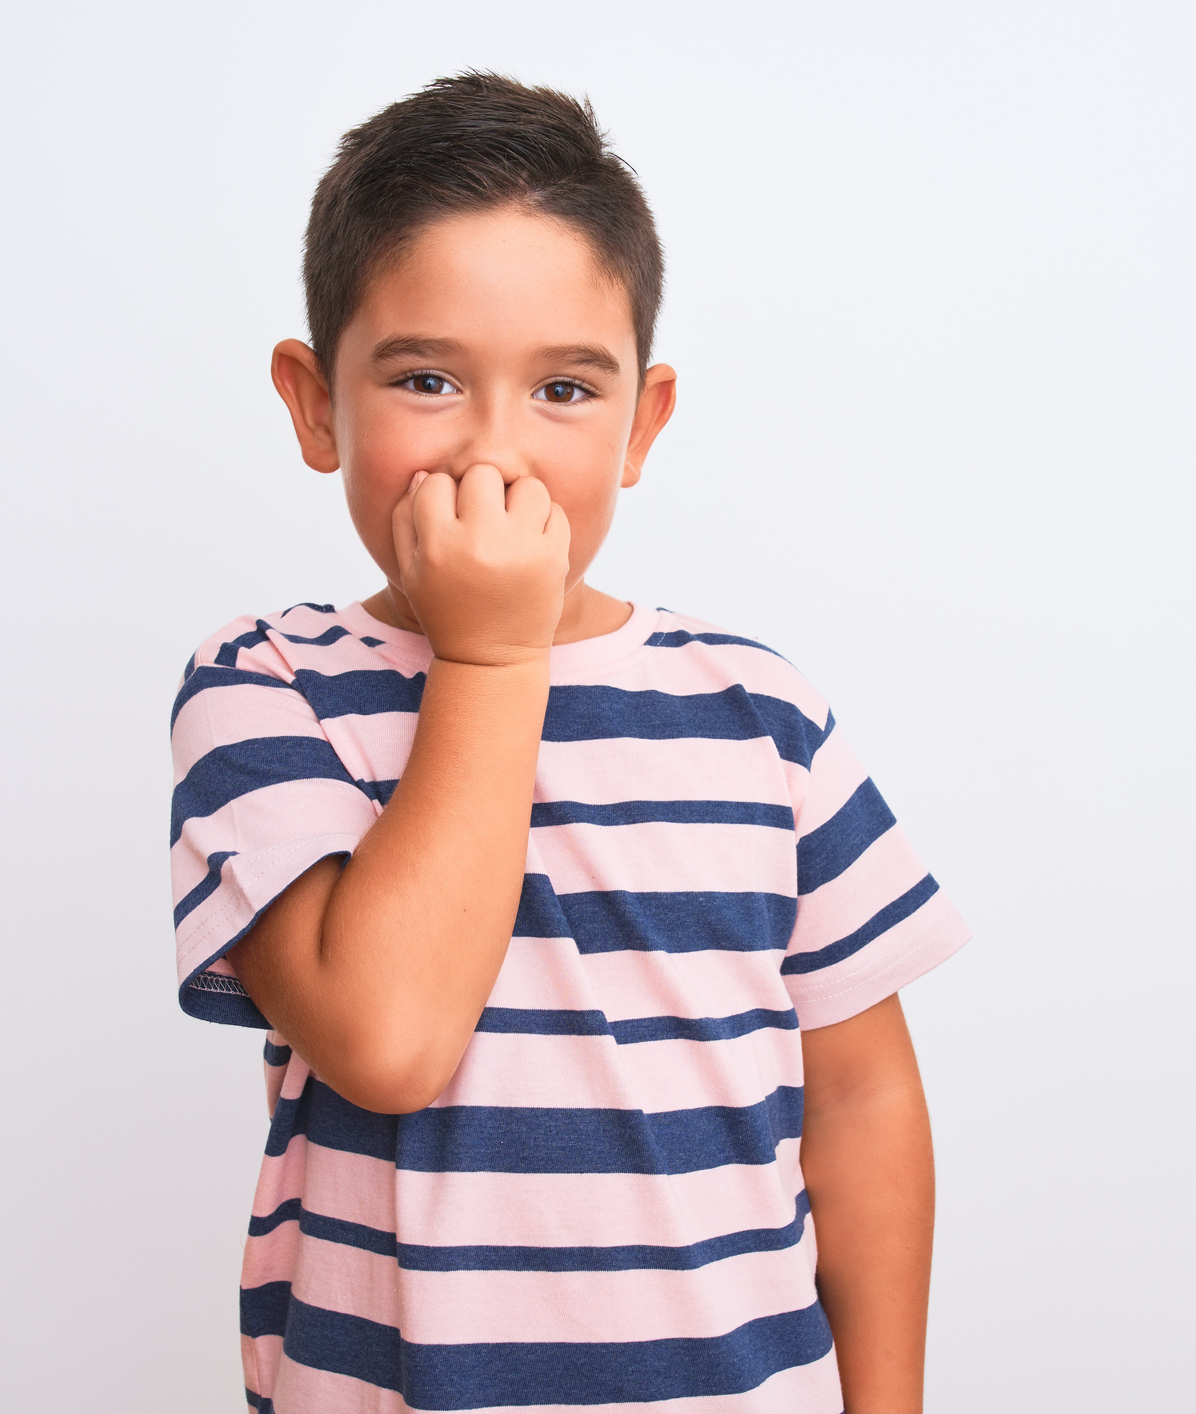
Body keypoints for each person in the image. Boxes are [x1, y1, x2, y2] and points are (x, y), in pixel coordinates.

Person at [168, 72, 969, 1413]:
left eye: (564, 389)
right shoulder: (266, 687)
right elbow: (389, 1036)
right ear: (316, 405)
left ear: (642, 423)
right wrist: (491, 653)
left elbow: (864, 1102)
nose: (499, 452)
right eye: (426, 377)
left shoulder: (758, 712)